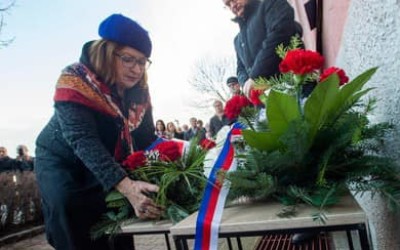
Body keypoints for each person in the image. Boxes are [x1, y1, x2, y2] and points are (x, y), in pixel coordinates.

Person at [34, 14, 162, 250]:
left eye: (142, 62)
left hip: (108, 160)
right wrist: (128, 187)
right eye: (128, 59)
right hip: (63, 160)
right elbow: (83, 140)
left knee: (116, 216)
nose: (136, 70)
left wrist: (166, 170)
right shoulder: (75, 80)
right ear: (107, 52)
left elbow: (146, 140)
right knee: (70, 209)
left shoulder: (139, 92)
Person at [223, 0, 301, 98]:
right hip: (265, 101)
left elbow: (278, 36)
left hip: (294, 87)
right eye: (228, 5)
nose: (232, 5)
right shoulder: (237, 41)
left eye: (233, 0)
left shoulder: (271, 4)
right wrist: (246, 84)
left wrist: (255, 77)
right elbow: (240, 68)